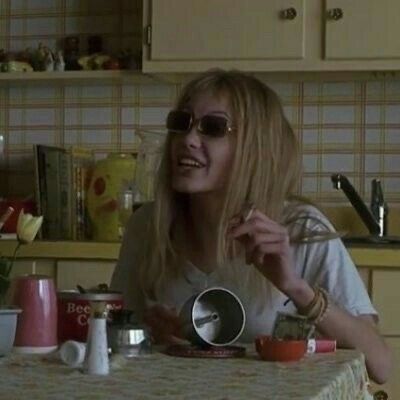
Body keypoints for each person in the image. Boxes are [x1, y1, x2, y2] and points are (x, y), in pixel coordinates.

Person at [111, 69, 392, 383]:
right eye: (181, 123)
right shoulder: (147, 226)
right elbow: (112, 342)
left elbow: (380, 366)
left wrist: (297, 288)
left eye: (213, 128)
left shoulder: (299, 228)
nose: (187, 140)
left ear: (254, 148)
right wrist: (148, 336)